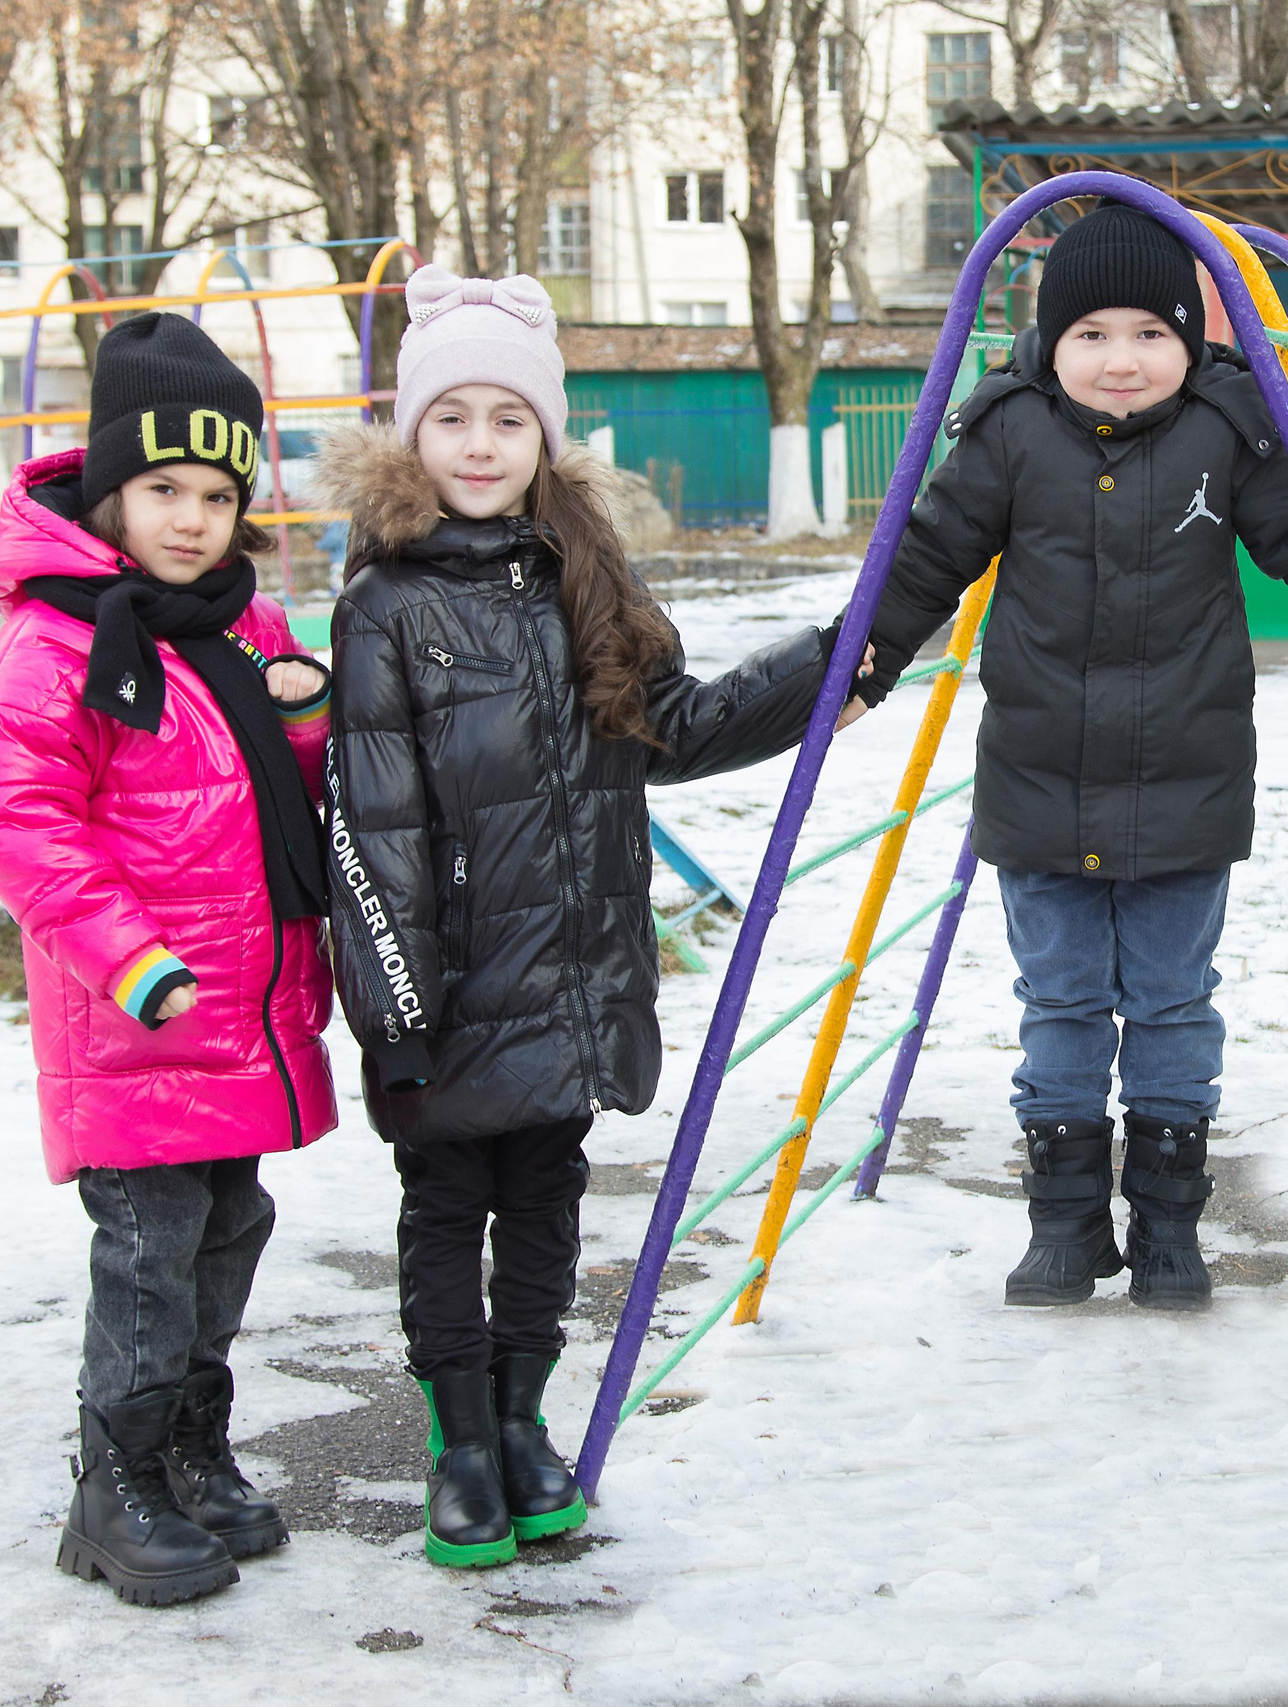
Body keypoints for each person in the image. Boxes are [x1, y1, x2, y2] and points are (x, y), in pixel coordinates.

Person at [316, 267, 870, 1568]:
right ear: (411, 434)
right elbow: (374, 828)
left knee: (551, 1204)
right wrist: (396, 1009)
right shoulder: (384, 605)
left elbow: (667, 728)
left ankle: (523, 1422)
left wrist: (824, 671)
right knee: (449, 1210)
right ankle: (459, 1440)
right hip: (444, 996)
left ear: (545, 439)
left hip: (571, 974)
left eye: (508, 420)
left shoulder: (588, 577)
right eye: (451, 418)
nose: (479, 444)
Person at [856, 200, 1288, 1312]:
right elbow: (928, 557)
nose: (1120, 360)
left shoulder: (1228, 426)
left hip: (1184, 784)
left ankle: (1164, 1228)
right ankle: (1061, 1226)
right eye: (1090, 334)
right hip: (1036, 783)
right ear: (1050, 341)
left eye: (1149, 334)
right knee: (1057, 1002)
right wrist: (865, 665)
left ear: (1189, 340)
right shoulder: (1005, 430)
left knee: (1168, 1001)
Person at [0, 311, 337, 1606]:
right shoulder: (56, 640)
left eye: (218, 492)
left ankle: (189, 1448)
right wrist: (129, 959)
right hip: (137, 1020)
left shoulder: (240, 630)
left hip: (242, 1012)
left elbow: (278, 798)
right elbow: (17, 813)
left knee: (230, 1227)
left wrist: (306, 717)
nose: (190, 516)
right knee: (149, 1252)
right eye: (164, 488)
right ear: (111, 486)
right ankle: (111, 1489)